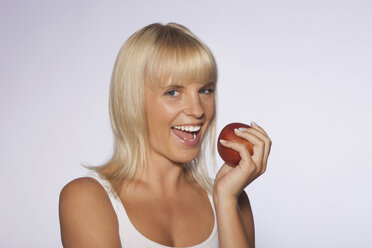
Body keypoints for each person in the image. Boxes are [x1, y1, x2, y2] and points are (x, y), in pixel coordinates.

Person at [59, 22, 271, 248]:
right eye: (173, 92)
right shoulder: (87, 199)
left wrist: (226, 200)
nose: (198, 110)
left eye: (205, 90)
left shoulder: (234, 199)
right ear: (134, 101)